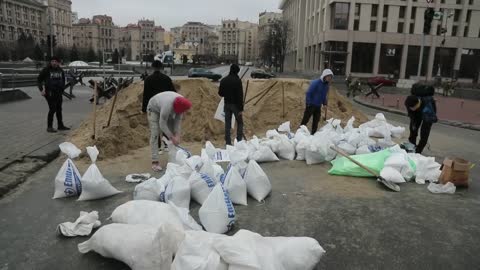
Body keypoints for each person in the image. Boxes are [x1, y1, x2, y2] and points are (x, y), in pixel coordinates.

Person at [147, 92, 192, 172]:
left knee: (172, 132)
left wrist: (177, 136)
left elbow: (177, 122)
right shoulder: (167, 106)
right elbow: (162, 123)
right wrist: (172, 137)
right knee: (155, 134)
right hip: (154, 109)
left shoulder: (182, 103)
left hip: (169, 107)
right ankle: (155, 161)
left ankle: (174, 157)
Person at [142, 60, 176, 153]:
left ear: (152, 67)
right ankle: (166, 145)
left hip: (154, 108)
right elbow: (173, 93)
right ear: (161, 68)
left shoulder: (148, 80)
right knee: (165, 126)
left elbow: (146, 95)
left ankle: (157, 147)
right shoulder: (167, 79)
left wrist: (144, 109)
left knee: (155, 127)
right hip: (165, 106)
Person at [37, 56, 70, 133]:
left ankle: (60, 125)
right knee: (53, 109)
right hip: (49, 93)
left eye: (55, 61)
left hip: (58, 93)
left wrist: (62, 89)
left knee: (59, 109)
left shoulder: (60, 70)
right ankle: (49, 127)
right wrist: (41, 90)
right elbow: (39, 80)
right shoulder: (46, 70)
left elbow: (63, 80)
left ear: (58, 63)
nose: (54, 63)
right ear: (50, 62)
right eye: (52, 61)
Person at [300, 69, 334, 135]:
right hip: (311, 105)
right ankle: (299, 133)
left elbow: (324, 95)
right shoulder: (316, 83)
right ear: (324, 76)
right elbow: (309, 93)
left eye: (330, 77)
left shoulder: (326, 86)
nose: (329, 78)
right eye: (328, 77)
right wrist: (308, 103)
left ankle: (313, 134)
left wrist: (325, 104)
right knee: (305, 120)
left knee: (316, 121)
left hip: (318, 106)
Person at [218, 64, 244, 145]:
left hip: (227, 104)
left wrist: (227, 94)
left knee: (227, 124)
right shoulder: (237, 80)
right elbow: (240, 95)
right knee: (240, 122)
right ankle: (239, 140)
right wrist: (241, 109)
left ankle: (228, 142)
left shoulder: (224, 80)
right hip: (236, 105)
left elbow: (220, 93)